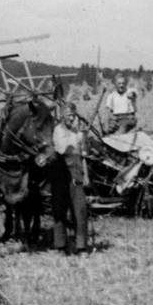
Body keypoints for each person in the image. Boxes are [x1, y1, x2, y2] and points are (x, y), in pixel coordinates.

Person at [51, 103, 90, 254]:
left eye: (74, 115)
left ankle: (81, 246)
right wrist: (74, 144)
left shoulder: (78, 132)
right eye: (69, 115)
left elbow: (85, 153)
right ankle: (60, 246)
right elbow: (62, 149)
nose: (72, 118)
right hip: (61, 173)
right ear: (62, 116)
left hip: (76, 173)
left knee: (80, 210)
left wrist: (84, 137)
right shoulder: (57, 131)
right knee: (59, 210)